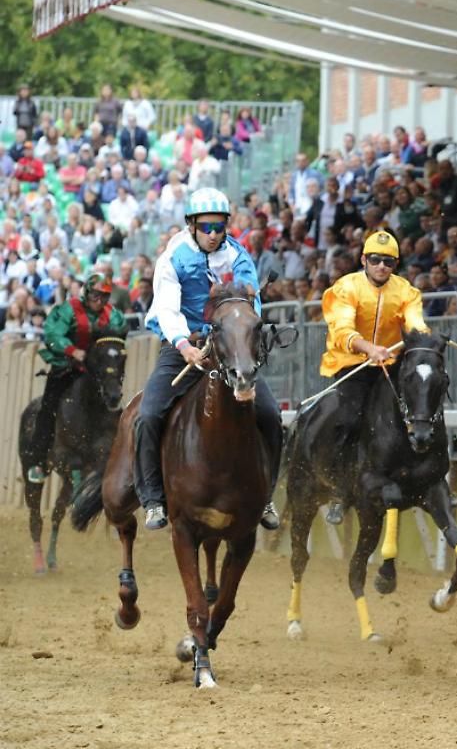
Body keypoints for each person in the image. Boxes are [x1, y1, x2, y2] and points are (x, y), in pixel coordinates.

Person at [136, 187, 282, 531]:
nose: (214, 234)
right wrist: (183, 344)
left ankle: (266, 496)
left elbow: (250, 303)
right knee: (148, 415)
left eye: (219, 227)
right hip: (185, 347)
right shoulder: (173, 257)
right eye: (206, 227)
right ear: (191, 225)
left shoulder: (238, 255)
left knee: (271, 415)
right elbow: (167, 308)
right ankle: (153, 499)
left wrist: (238, 336)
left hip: (228, 347)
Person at [318, 229, 427, 524]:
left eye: (389, 262)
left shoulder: (406, 291)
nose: (382, 266)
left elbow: (416, 324)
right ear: (364, 260)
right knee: (349, 420)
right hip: (351, 365)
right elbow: (342, 330)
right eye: (376, 260)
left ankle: (424, 478)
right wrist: (369, 349)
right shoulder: (346, 287)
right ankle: (341, 491)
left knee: (419, 413)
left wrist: (422, 338)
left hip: (388, 366)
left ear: (395, 265)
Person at [25, 274, 126, 484]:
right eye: (96, 296)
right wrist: (72, 350)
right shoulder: (68, 309)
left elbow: (119, 335)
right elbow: (52, 333)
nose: (100, 301)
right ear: (87, 294)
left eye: (105, 297)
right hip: (67, 367)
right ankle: (39, 461)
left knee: (113, 399)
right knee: (48, 406)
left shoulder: (114, 315)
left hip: (97, 371)